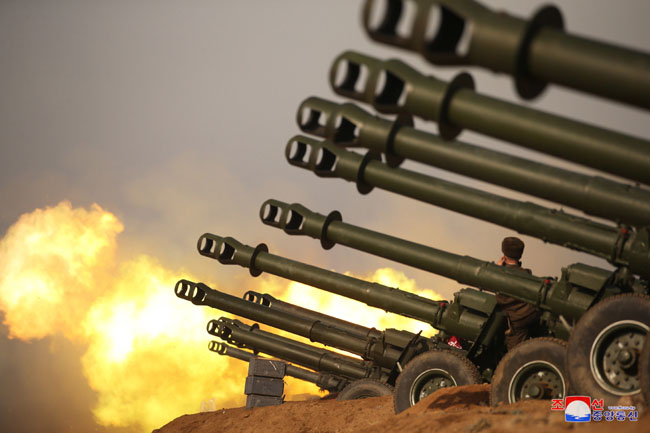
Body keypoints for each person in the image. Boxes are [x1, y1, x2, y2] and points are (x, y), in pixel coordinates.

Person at [495, 236, 541, 350]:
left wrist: (496, 269)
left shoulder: (500, 274)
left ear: (504, 254)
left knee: (514, 355)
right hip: (534, 313)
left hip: (518, 320)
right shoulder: (527, 273)